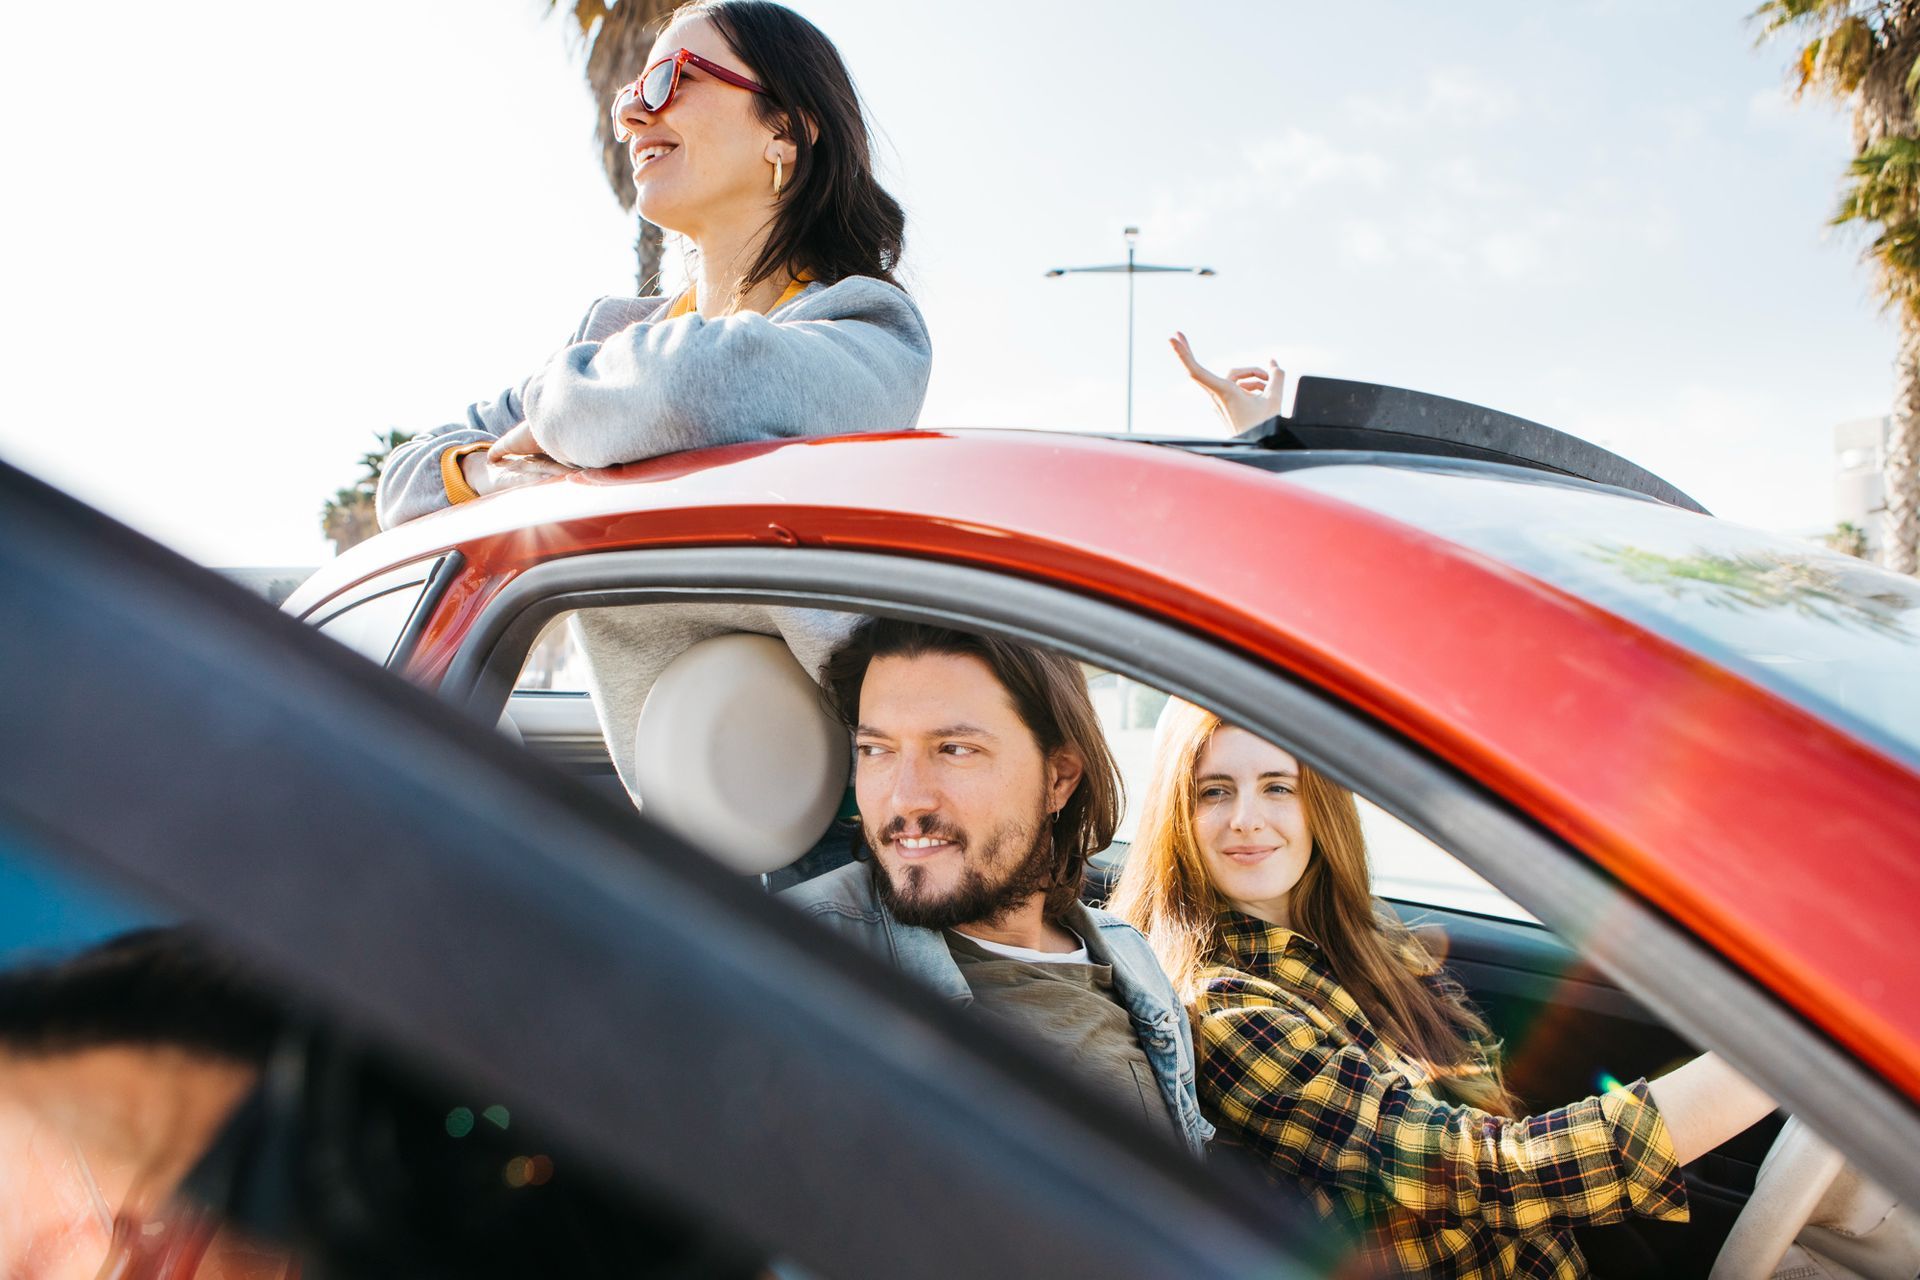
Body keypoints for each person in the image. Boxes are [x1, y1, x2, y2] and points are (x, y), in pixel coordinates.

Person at [373, 0, 931, 813]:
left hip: (847, 843)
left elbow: (701, 383)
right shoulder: (612, 338)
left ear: (786, 132)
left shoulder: (869, 330)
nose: (634, 108)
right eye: (629, 88)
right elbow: (407, 483)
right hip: (670, 834)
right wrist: (511, 481)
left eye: (671, 79)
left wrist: (562, 430)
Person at [1109, 701, 1777, 1277]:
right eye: (1214, 791)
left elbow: (1487, 1115)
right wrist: (1777, 1066)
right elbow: (1485, 1169)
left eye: (1278, 786)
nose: (1247, 819)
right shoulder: (1226, 1009)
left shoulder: (1363, 938)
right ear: (1178, 814)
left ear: (1320, 806)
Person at [783, 620, 1214, 1156]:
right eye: (876, 750)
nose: (904, 799)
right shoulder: (793, 960)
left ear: (1058, 778)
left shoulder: (1129, 954)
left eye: (955, 749)